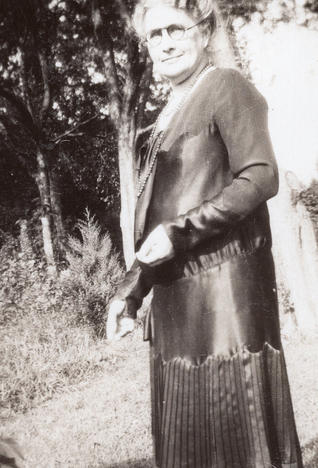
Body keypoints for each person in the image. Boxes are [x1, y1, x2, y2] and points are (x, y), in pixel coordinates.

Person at [106, 0, 303, 466]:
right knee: (187, 444)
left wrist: (180, 232)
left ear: (204, 29)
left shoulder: (227, 87)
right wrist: (131, 290)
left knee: (236, 435)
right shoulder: (160, 123)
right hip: (177, 304)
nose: (166, 42)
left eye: (176, 28)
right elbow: (160, 222)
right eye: (154, 35)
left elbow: (260, 177)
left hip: (226, 300)